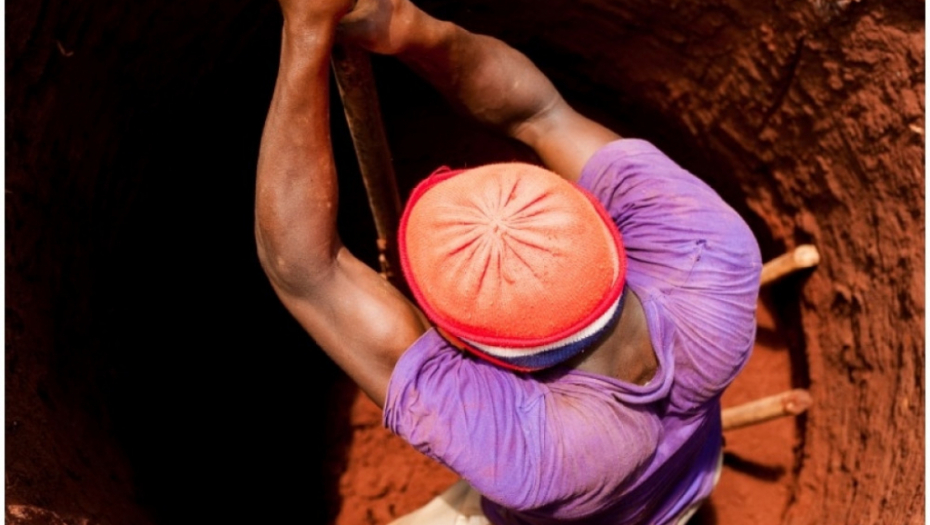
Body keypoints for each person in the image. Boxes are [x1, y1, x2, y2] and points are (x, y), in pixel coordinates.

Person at [254, 0, 762, 523]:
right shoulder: (710, 251)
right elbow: (538, 112)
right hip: (689, 482)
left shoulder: (530, 456)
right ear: (595, 221)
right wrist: (412, 28)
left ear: (482, 355)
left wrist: (306, 33)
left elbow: (304, 271)